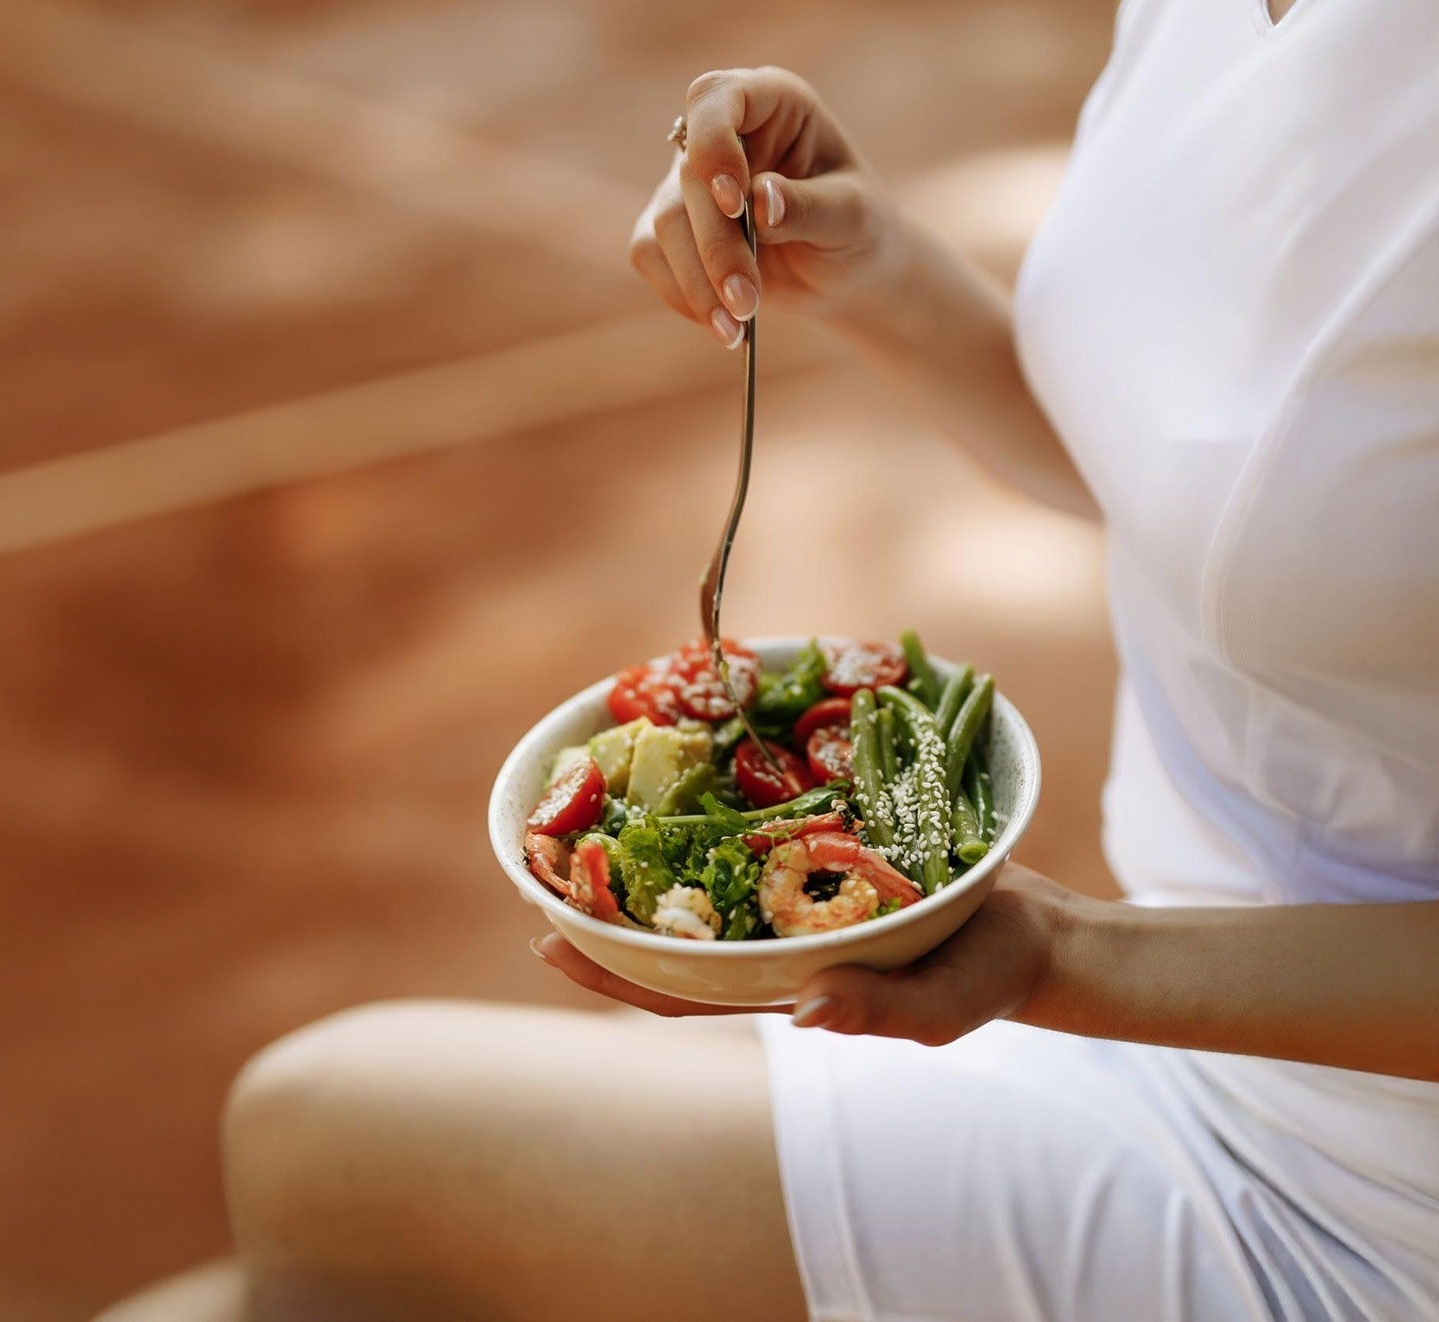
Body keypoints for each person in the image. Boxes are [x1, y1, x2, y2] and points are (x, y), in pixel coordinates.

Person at [216, 3, 1439, 1319]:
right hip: (1172, 1028)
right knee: (280, 1279)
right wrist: (877, 268)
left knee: (318, 1138)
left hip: (1370, 1175)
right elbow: (1210, 494)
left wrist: (1061, 960)